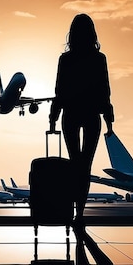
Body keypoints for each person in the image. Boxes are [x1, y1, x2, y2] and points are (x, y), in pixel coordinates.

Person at [49, 13, 114, 220]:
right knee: (85, 165)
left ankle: (72, 207)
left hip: (70, 115)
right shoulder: (99, 59)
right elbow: (105, 90)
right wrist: (108, 119)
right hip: (92, 115)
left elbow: (59, 90)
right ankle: (80, 213)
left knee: (74, 162)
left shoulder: (65, 59)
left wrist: (53, 115)